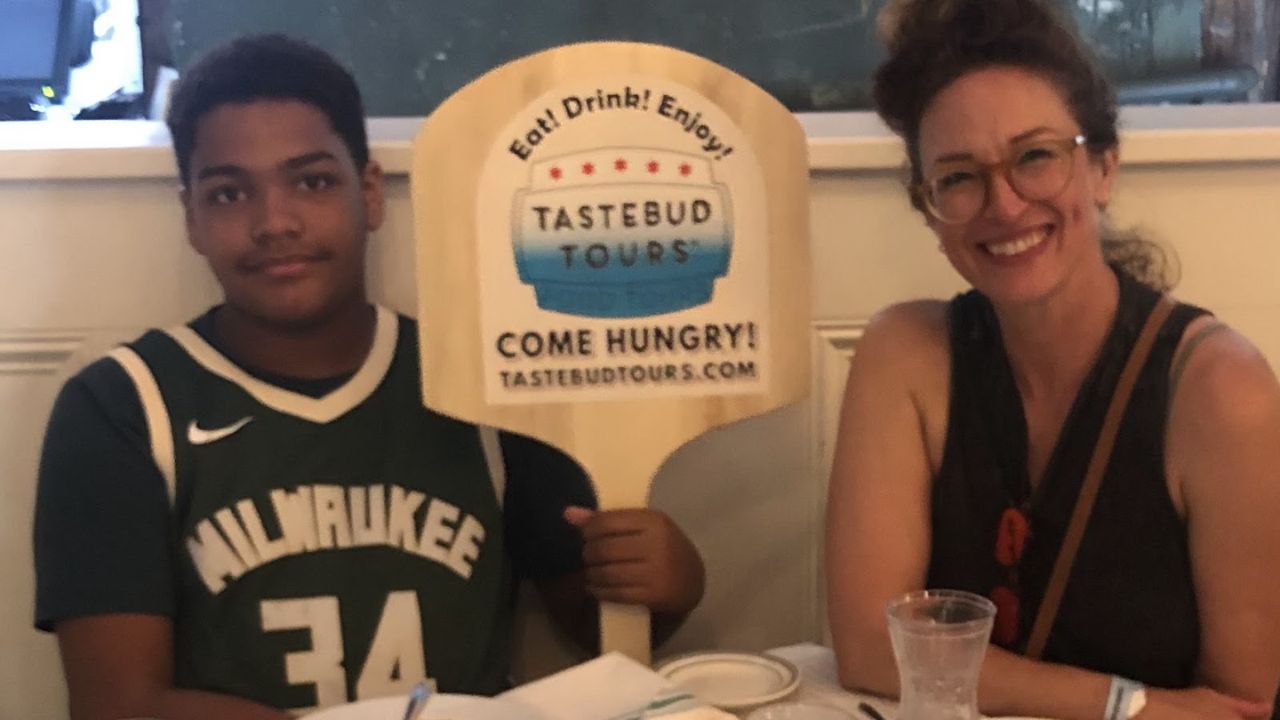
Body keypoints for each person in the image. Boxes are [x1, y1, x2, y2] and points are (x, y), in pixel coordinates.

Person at [33, 34, 705, 720]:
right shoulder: (120, 407)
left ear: (372, 193)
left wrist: (667, 583)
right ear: (193, 219)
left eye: (313, 181)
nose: (275, 222)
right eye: (230, 193)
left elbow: (595, 632)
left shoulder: (481, 379)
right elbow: (117, 704)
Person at [824, 1, 1280, 719]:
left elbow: (1237, 706)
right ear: (929, 209)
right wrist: (1124, 706)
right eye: (959, 177)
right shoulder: (903, 358)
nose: (1003, 206)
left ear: (1103, 166)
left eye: (1035, 156)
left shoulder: (1221, 392)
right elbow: (869, 648)